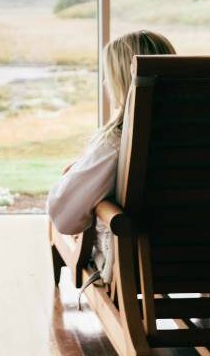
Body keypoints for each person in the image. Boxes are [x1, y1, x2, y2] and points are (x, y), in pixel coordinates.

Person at [47, 30, 176, 235]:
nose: (106, 84)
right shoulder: (196, 136)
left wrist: (73, 174)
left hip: (138, 259)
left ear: (122, 82)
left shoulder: (118, 144)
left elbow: (65, 218)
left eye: (108, 77)